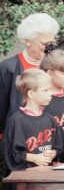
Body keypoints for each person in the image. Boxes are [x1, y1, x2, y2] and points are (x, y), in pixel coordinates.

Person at [0, 13, 59, 141]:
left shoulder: (55, 66)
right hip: (20, 136)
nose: (49, 48)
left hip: (50, 135)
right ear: (28, 41)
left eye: (51, 43)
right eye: (44, 44)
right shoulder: (8, 67)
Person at [4, 68, 63, 171]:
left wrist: (53, 153)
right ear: (31, 94)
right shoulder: (16, 121)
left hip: (46, 177)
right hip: (25, 179)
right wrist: (34, 158)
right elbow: (12, 153)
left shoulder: (50, 119)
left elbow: (58, 147)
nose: (50, 94)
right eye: (45, 90)